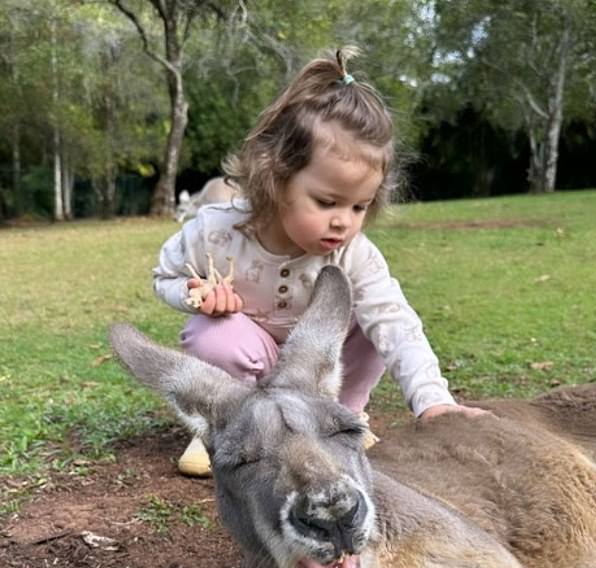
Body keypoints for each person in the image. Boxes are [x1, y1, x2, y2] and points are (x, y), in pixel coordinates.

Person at [153, 48, 487, 477]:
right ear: (274, 176)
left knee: (373, 323)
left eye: (359, 206)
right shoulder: (216, 233)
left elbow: (396, 324)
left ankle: (338, 419)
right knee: (210, 333)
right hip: (255, 352)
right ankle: (231, 424)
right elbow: (164, 275)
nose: (343, 222)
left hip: (321, 361)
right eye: (327, 202)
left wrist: (433, 400)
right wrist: (191, 294)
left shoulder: (353, 253)